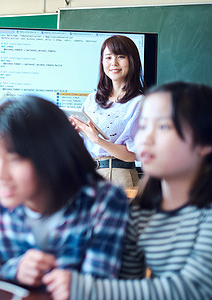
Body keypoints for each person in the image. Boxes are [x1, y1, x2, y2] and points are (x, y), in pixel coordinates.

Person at [44, 81, 212, 300]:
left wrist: (87, 288)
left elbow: (194, 290)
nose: (144, 139)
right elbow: (126, 284)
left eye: (163, 127)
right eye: (142, 126)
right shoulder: (142, 209)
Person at [0, 95, 129, 288]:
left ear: (50, 156)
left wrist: (76, 286)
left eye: (14, 159)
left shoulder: (103, 202)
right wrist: (16, 270)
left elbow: (100, 283)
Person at [70, 35, 145, 188]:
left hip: (119, 176)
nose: (113, 63)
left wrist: (98, 140)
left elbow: (133, 155)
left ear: (132, 61)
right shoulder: (92, 99)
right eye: (108, 57)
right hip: (90, 175)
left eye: (121, 56)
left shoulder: (139, 102)